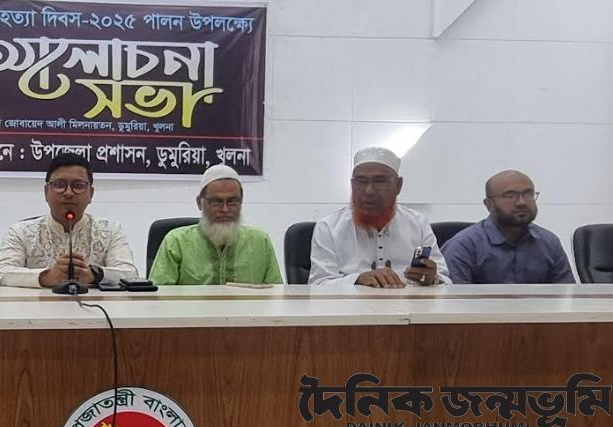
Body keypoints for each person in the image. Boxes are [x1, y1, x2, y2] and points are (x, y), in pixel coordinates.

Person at [309, 146, 450, 287]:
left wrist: (433, 279)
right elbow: (317, 285)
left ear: (398, 185)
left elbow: (446, 282)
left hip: (407, 301)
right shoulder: (328, 228)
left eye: (379, 181)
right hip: (352, 302)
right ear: (352, 185)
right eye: (361, 181)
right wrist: (358, 279)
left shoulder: (418, 223)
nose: (369, 191)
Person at [0, 153, 137, 288]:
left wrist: (94, 275)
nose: (68, 193)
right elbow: (0, 273)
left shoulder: (110, 231)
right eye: (59, 185)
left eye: (78, 186)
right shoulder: (21, 232)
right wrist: (47, 277)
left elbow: (130, 274)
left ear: (91, 194)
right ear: (46, 192)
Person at [149, 164, 282, 285]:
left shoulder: (260, 241)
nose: (225, 209)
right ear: (199, 203)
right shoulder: (176, 242)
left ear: (241, 202)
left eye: (232, 201)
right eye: (216, 202)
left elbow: (277, 294)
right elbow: (157, 296)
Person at [442, 170, 574, 284]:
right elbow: (453, 299)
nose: (522, 202)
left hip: (539, 307)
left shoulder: (549, 242)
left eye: (528, 194)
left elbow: (566, 296)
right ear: (489, 204)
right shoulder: (463, 246)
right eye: (510, 195)